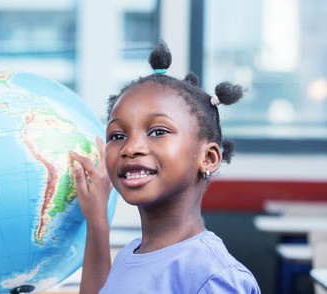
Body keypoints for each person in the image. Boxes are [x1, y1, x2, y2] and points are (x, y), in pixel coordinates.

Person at [69, 41, 261, 294]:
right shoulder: (131, 253)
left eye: (158, 131)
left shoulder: (213, 275)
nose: (130, 148)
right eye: (117, 136)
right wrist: (97, 222)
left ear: (209, 158)